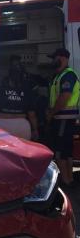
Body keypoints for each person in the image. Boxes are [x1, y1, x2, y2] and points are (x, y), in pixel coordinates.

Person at [47, 48, 80, 187]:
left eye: (55, 57)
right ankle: (70, 179)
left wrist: (51, 113)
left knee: (60, 150)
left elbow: (64, 97)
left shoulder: (68, 75)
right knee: (66, 150)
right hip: (64, 118)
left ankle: (65, 182)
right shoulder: (58, 75)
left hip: (63, 118)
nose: (53, 61)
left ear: (63, 58)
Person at [0, 56, 39, 140]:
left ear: (8, 78)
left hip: (2, 124)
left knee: (4, 152)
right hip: (22, 125)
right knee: (23, 152)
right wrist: (35, 130)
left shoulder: (1, 91)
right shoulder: (27, 93)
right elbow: (32, 115)